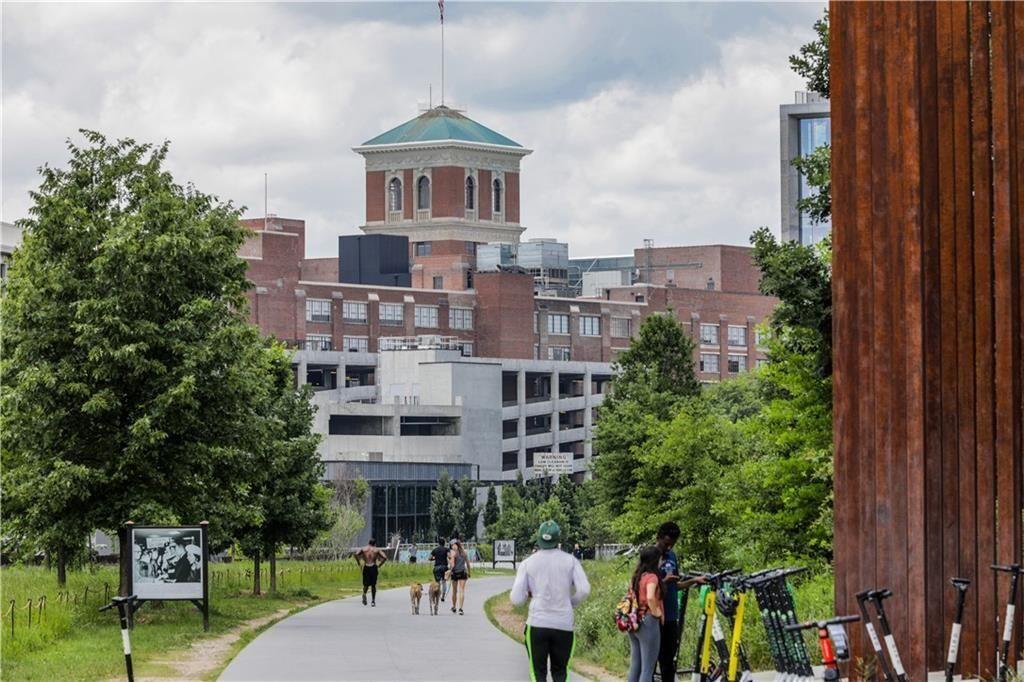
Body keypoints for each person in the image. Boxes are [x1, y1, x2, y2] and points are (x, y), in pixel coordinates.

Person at [510, 520, 591, 682]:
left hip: (537, 623)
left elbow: (516, 599)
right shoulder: (571, 561)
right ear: (557, 540)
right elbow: (584, 590)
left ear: (539, 539)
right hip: (563, 623)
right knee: (561, 672)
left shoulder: (528, 563)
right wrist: (570, 602)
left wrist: (528, 595)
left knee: (537, 673)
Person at [655, 522, 706, 681]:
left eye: (672, 544)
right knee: (651, 660)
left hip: (671, 615)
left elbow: (675, 585)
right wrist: (664, 580)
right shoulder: (650, 556)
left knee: (668, 660)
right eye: (667, 543)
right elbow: (644, 587)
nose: (669, 547)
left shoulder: (672, 556)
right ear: (659, 538)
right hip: (654, 615)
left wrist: (693, 581)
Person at [627, 546, 663, 682]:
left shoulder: (637, 576)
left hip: (634, 621)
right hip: (648, 622)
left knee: (635, 666)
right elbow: (650, 597)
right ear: (655, 560)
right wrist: (657, 612)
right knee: (647, 669)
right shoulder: (652, 577)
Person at [354, 538, 387, 606]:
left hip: (366, 567)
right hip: (373, 567)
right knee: (373, 585)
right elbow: (385, 557)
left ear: (368, 543)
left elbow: (356, 554)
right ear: (375, 544)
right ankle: (373, 601)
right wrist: (379, 565)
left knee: (365, 584)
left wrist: (359, 562)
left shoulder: (364, 549)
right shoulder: (376, 550)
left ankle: (364, 593)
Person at [448, 539, 471, 615]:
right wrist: (469, 573)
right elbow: (468, 564)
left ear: (455, 545)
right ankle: (460, 609)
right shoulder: (464, 553)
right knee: (461, 590)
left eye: (452, 545)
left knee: (454, 591)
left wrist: (449, 572)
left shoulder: (453, 553)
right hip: (462, 573)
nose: (452, 547)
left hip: (455, 573)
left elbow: (452, 565)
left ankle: (454, 607)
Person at [430, 537, 450, 602]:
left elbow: (430, 558)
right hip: (444, 567)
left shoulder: (435, 550)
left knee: (437, 583)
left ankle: (437, 595)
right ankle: (443, 596)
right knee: (444, 582)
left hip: (437, 568)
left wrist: (435, 558)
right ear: (444, 543)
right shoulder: (447, 549)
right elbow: (449, 556)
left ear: (438, 543)